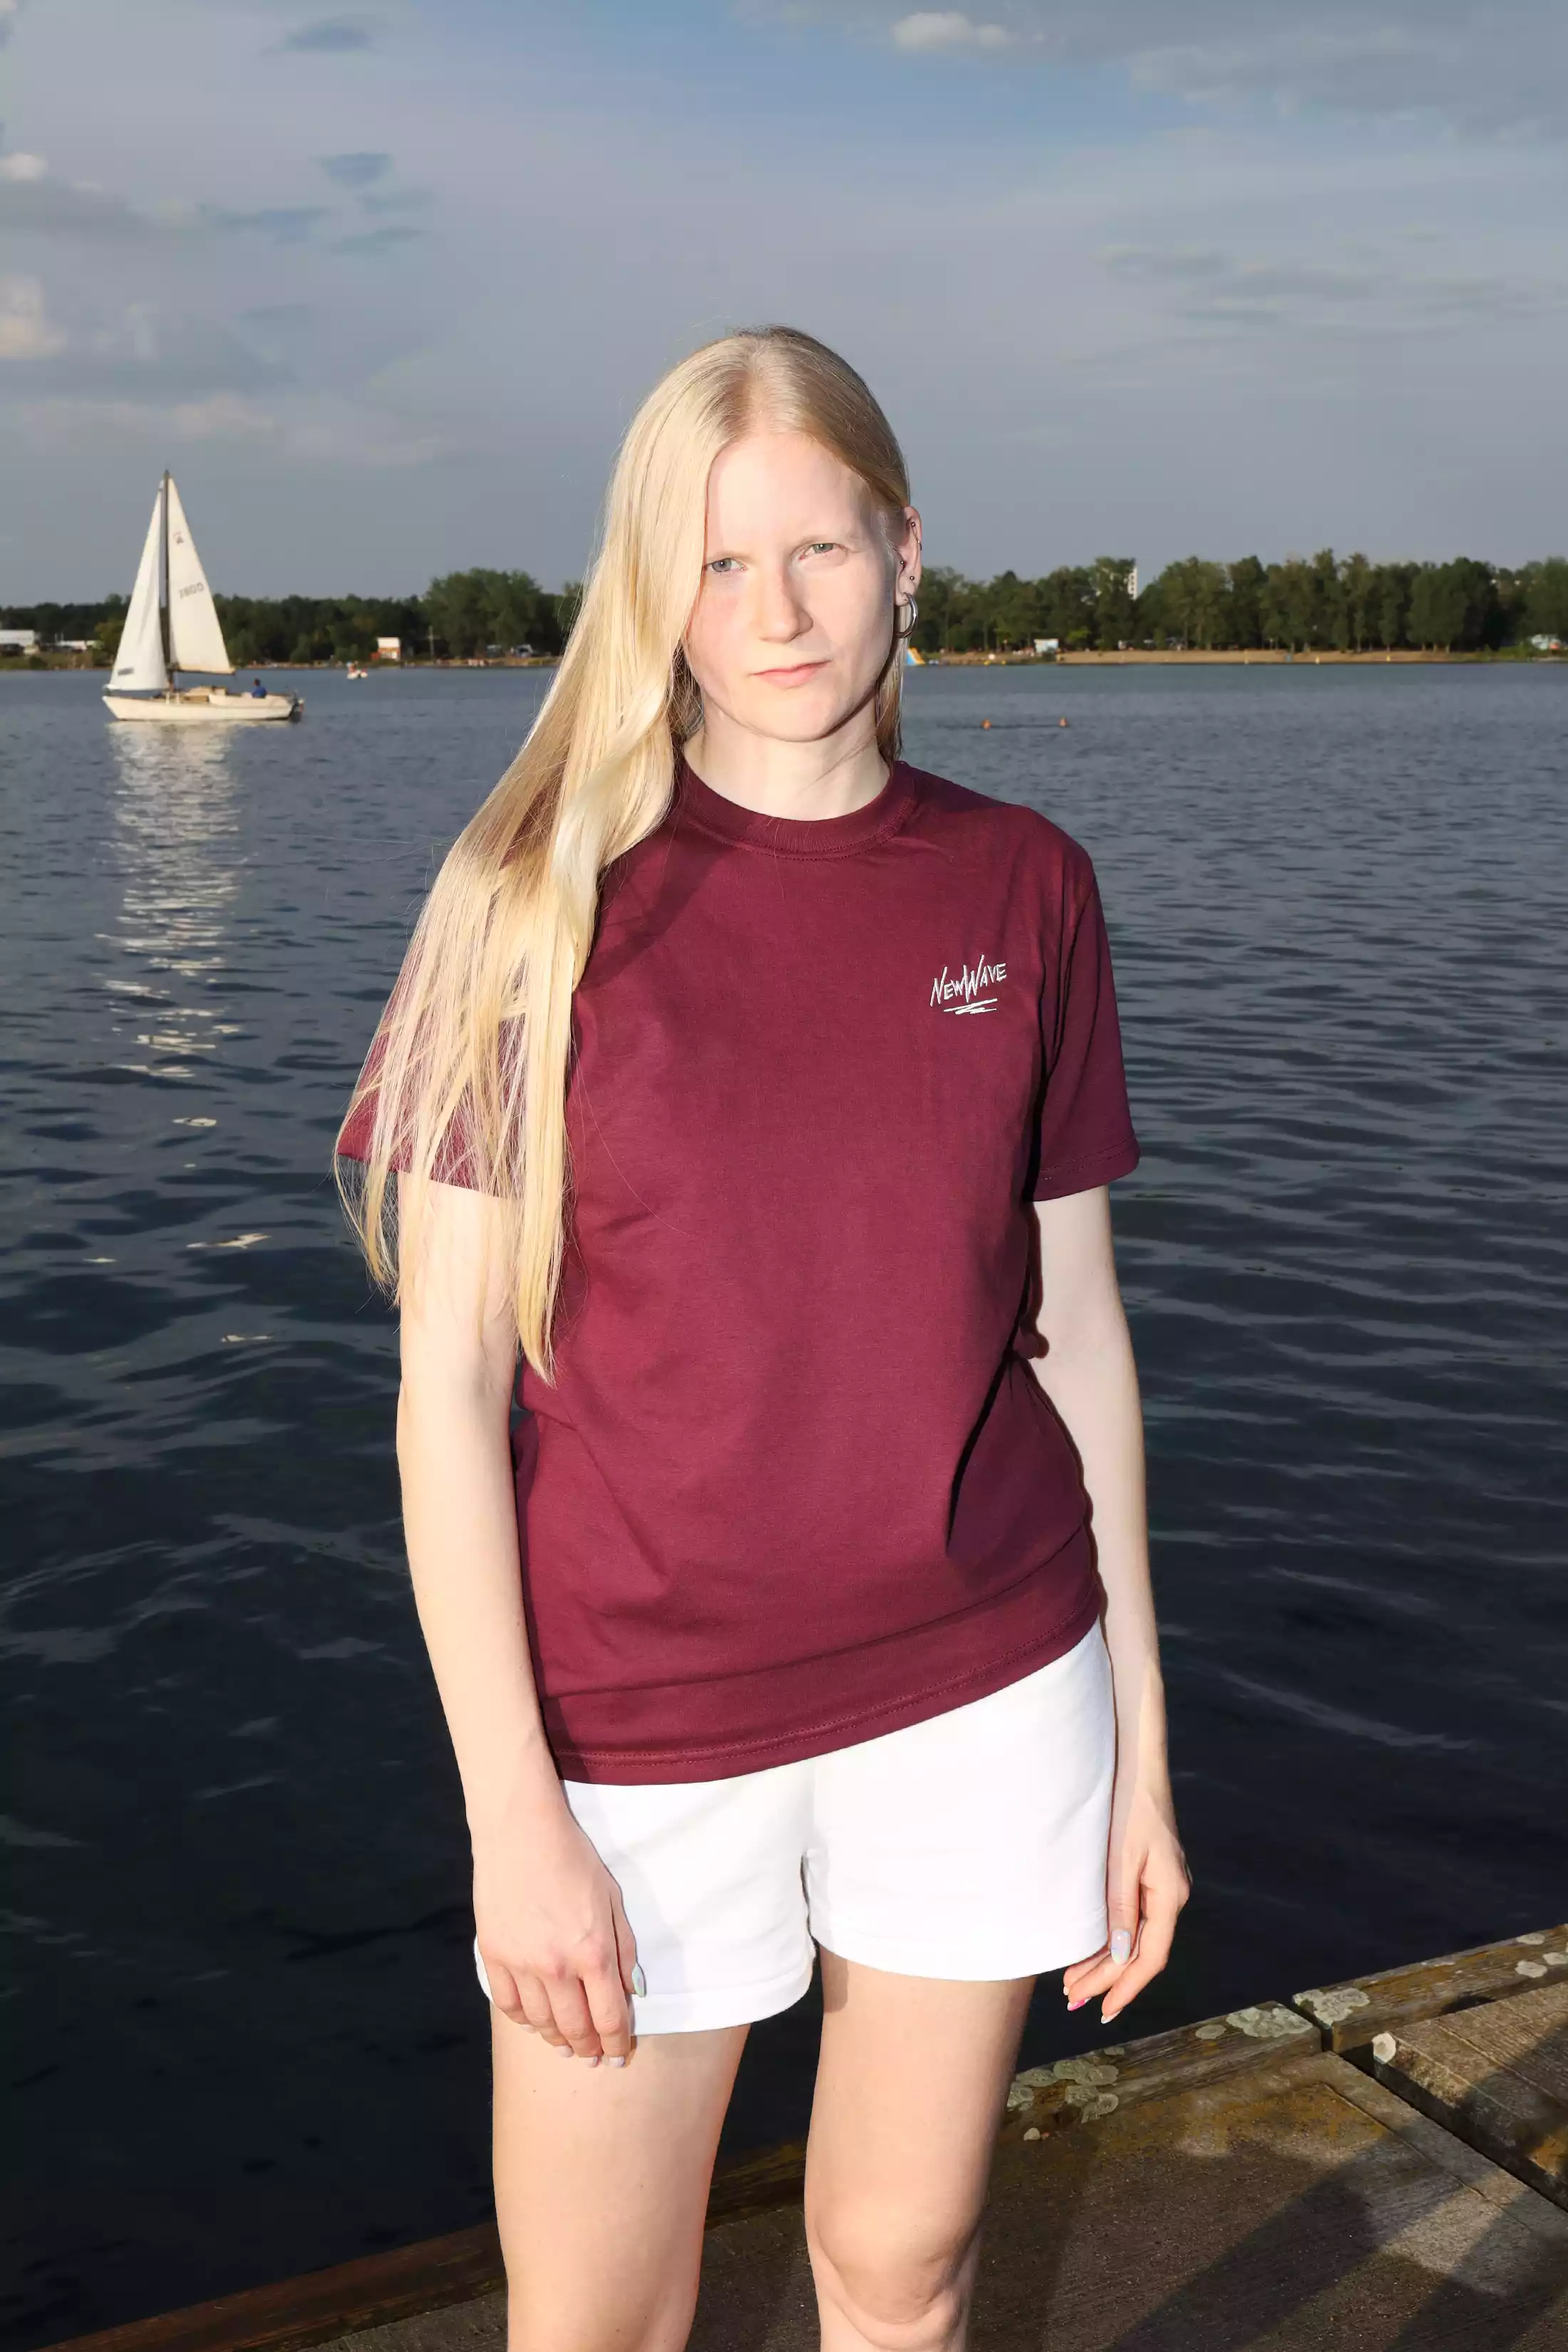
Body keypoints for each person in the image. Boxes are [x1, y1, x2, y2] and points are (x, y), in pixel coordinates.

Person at [335, 325, 1189, 2352]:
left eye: (820, 547)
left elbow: (1077, 1331)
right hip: (634, 1733)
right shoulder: (526, 904)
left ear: (907, 552)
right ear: (656, 593)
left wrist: (1143, 1748)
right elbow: (444, 1403)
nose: (780, 612)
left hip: (988, 1683)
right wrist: (512, 1818)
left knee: (904, 2267)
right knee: (597, 2319)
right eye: (719, 564)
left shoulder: (1025, 886)